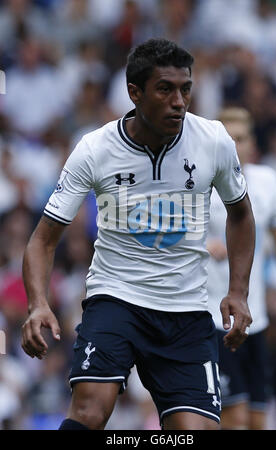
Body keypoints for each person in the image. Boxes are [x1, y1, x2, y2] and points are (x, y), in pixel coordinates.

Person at [21, 38, 255, 431]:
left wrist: (237, 291)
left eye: (185, 89)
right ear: (134, 92)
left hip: (186, 308)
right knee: (91, 411)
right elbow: (43, 238)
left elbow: (242, 216)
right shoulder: (95, 149)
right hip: (116, 297)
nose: (179, 101)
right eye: (165, 89)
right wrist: (37, 304)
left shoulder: (213, 140)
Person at [207, 107, 276, 430]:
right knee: (234, 419)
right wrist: (203, 247)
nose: (235, 146)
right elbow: (168, 242)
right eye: (228, 139)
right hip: (212, 318)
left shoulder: (268, 182)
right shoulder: (199, 186)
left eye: (241, 138)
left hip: (255, 319)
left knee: (260, 419)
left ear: (252, 142)